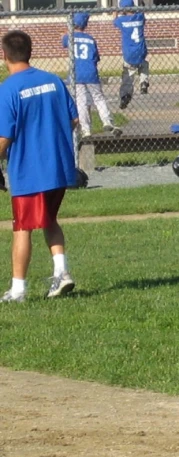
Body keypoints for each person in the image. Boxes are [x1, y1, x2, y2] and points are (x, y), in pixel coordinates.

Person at [0, 30, 79, 302]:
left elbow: (4, 135)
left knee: (22, 227)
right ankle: (62, 272)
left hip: (29, 171)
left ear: (5, 55)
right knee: (49, 220)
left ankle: (18, 290)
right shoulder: (54, 81)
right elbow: (73, 120)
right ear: (30, 51)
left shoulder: (8, 89)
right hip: (58, 167)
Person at [61, 12, 121, 138]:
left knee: (81, 102)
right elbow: (96, 58)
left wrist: (68, 32)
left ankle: (86, 130)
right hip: (91, 73)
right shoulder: (90, 39)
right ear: (85, 25)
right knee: (98, 98)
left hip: (76, 74)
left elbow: (63, 42)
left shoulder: (69, 37)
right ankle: (107, 121)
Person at [114, 0, 149, 110]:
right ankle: (144, 81)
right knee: (144, 64)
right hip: (140, 51)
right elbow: (142, 14)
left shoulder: (121, 20)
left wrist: (116, 11)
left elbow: (114, 21)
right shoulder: (139, 17)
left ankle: (125, 95)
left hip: (129, 54)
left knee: (128, 75)